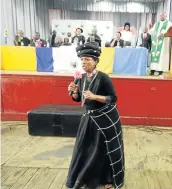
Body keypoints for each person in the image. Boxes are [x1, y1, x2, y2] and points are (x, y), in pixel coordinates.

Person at [66, 42, 125, 189]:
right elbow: (79, 99)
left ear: (96, 61)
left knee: (101, 150)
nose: (84, 63)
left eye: (87, 59)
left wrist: (95, 96)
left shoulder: (104, 78)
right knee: (84, 149)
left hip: (103, 120)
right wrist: (74, 92)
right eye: (82, 60)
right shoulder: (80, 78)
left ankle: (106, 178)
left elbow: (113, 99)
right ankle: (84, 177)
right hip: (87, 119)